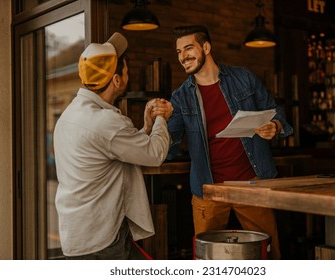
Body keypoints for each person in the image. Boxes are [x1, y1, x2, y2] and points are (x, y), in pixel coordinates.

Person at [167, 25, 293, 259]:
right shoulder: (180, 96)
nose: (182, 56)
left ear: (206, 47)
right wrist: (156, 122)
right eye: (178, 52)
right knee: (208, 260)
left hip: (252, 184)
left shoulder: (243, 77)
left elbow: (276, 111)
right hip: (209, 189)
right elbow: (167, 147)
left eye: (188, 48)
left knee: (268, 254)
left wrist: (274, 126)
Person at [53, 32, 173, 259]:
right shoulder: (105, 122)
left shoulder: (71, 115)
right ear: (117, 80)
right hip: (102, 241)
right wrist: (161, 118)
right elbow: (155, 153)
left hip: (78, 233)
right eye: (126, 70)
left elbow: (112, 148)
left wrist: (146, 127)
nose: (128, 73)